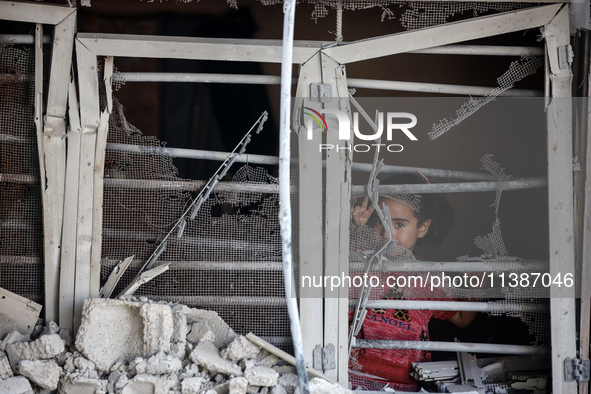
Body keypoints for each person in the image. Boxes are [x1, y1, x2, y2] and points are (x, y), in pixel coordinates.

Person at [348, 172, 477, 392]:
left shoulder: (429, 277)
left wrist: (477, 280)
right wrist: (353, 228)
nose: (387, 233)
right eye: (379, 221)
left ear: (422, 228)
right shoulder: (356, 258)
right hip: (351, 379)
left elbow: (463, 318)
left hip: (406, 384)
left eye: (399, 224)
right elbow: (321, 247)